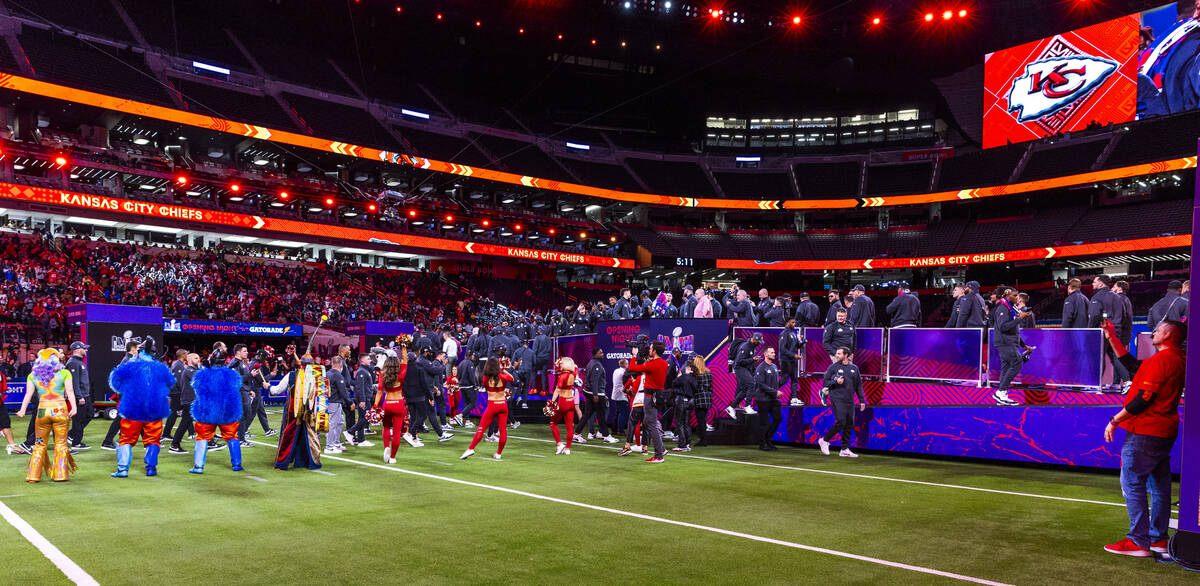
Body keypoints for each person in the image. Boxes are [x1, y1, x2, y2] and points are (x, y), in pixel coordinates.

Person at [1100, 319, 1185, 557]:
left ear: (1167, 334)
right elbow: (1134, 366)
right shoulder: (1178, 359)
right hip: (1164, 430)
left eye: (1157, 330)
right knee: (1159, 486)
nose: (1154, 332)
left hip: (1145, 430)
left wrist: (1115, 419)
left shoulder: (1161, 360)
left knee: (1132, 484)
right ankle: (1158, 539)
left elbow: (1144, 399)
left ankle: (1138, 541)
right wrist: (1112, 338)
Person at [107, 346, 173, 478]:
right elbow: (169, 384)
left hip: (133, 407)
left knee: (126, 439)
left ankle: (123, 469)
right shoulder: (160, 368)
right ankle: (151, 468)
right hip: (154, 408)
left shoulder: (130, 365)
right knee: (153, 439)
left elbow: (115, 383)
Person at [17, 348, 77, 482]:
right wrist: (74, 407)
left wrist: (22, 410)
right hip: (60, 409)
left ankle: (33, 475)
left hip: (42, 410)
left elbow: (28, 394)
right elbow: (70, 391)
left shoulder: (32, 375)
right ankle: (60, 475)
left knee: (39, 444)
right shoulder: (65, 373)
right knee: (61, 443)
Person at [187, 362, 245, 473]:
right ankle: (237, 464)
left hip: (207, 411)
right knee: (232, 436)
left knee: (202, 437)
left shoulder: (203, 374)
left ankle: (198, 466)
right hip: (227, 411)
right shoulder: (231, 374)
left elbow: (196, 387)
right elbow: (237, 387)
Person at [460, 358, 513, 461]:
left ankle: (471, 448)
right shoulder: (502, 376)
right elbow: (512, 379)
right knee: (503, 431)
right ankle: (498, 453)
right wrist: (504, 369)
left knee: (481, 428)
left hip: (492, 406)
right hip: (502, 405)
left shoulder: (485, 378)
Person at [817, 347, 865, 458]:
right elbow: (825, 382)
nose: (836, 355)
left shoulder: (854, 368)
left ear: (846, 355)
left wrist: (861, 400)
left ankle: (844, 449)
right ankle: (824, 440)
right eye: (836, 353)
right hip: (836, 398)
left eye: (839, 353)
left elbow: (858, 385)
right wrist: (835, 381)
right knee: (841, 421)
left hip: (849, 399)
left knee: (849, 424)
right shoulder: (833, 367)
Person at [625, 341, 668, 463]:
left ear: (654, 351)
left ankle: (659, 454)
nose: (649, 350)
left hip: (650, 396)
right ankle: (662, 449)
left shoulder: (653, 364)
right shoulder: (663, 363)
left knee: (651, 424)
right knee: (647, 421)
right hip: (658, 395)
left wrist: (634, 355)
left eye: (650, 348)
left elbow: (632, 368)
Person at [100, 340, 142, 451]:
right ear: (133, 349)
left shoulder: (127, 359)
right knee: (122, 417)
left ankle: (120, 439)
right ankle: (107, 441)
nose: (140, 350)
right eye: (138, 348)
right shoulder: (128, 360)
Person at [992, 286, 1030, 406]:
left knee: (1006, 367)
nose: (1017, 297)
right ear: (1007, 296)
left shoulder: (1010, 308)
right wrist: (1020, 318)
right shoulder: (1003, 308)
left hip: (1009, 341)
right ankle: (1001, 392)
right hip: (1005, 342)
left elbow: (1012, 329)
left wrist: (1023, 345)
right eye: (1014, 295)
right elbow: (1004, 327)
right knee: (1017, 362)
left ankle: (1002, 395)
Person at [1089, 275, 1130, 386]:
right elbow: (1124, 315)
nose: (1092, 284)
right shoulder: (1118, 297)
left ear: (1101, 284)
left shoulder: (1097, 297)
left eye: (1094, 282)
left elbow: (1094, 316)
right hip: (1116, 331)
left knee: (1099, 357)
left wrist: (1090, 331)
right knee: (1116, 357)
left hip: (1102, 331)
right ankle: (1127, 381)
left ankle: (1095, 384)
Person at [375, 354, 409, 463]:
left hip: (387, 403)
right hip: (398, 403)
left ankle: (386, 447)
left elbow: (379, 392)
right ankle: (393, 457)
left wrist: (376, 407)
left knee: (385, 428)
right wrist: (403, 346)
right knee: (397, 432)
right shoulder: (401, 374)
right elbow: (405, 360)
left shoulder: (382, 375)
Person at [579, 348, 615, 443]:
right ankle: (606, 436)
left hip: (591, 393)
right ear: (595, 355)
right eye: (600, 353)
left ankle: (577, 434)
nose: (603, 354)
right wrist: (596, 395)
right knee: (601, 415)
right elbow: (594, 381)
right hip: (596, 394)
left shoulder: (591, 363)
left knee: (587, 415)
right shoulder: (597, 365)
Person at [169, 353, 201, 454]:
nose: (198, 359)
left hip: (193, 400)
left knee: (188, 422)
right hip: (189, 401)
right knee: (185, 423)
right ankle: (174, 445)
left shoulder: (194, 370)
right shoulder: (188, 370)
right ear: (190, 360)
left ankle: (175, 444)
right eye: (196, 358)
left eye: (199, 358)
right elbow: (200, 380)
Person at [754, 347, 784, 451]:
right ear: (766, 354)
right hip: (763, 399)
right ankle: (762, 444)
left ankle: (768, 440)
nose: (774, 354)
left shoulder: (775, 367)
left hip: (773, 399)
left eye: (774, 352)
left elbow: (775, 383)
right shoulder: (761, 368)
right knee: (764, 422)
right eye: (772, 352)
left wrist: (776, 391)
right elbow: (761, 384)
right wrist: (775, 392)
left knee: (778, 418)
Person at [726, 333, 762, 418]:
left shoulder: (752, 347)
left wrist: (753, 362)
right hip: (740, 368)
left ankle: (731, 408)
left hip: (746, 369)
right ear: (754, 339)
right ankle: (747, 406)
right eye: (758, 341)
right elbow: (739, 361)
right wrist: (752, 359)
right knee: (751, 385)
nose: (759, 343)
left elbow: (748, 360)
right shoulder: (745, 347)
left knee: (745, 389)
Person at [64, 341, 92, 450]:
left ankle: (72, 435)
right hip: (80, 396)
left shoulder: (78, 362)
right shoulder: (73, 363)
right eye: (84, 348)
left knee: (89, 415)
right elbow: (74, 382)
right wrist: (79, 396)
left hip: (85, 394)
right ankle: (76, 442)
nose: (86, 350)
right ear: (77, 349)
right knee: (79, 419)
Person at [345, 353, 376, 447]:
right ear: (362, 361)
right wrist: (362, 400)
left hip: (366, 398)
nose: (370, 360)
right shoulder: (362, 371)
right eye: (368, 359)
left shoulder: (365, 370)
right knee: (366, 417)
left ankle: (361, 440)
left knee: (363, 418)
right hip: (364, 399)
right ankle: (350, 432)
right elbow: (359, 387)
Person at [670, 360, 698, 453]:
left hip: (681, 400)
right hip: (690, 401)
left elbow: (673, 383)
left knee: (679, 423)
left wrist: (679, 376)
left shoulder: (684, 377)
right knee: (686, 423)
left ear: (689, 368)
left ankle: (682, 445)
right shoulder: (695, 378)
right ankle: (687, 444)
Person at [324, 355, 350, 454]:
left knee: (339, 422)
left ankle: (335, 442)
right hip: (334, 402)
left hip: (330, 401)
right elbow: (343, 391)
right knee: (333, 424)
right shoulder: (337, 375)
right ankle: (329, 446)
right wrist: (350, 402)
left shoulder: (327, 373)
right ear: (340, 364)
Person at [163, 349, 188, 442]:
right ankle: (166, 434)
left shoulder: (177, 364)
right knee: (181, 412)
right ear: (182, 355)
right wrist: (184, 391)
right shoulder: (178, 365)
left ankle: (166, 433)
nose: (187, 355)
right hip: (176, 392)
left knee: (179, 413)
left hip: (176, 391)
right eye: (186, 354)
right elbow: (179, 381)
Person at [779, 318, 804, 407]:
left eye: (794, 322)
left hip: (793, 360)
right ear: (787, 323)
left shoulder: (793, 333)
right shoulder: (784, 334)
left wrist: (802, 341)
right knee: (784, 379)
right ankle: (771, 392)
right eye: (792, 322)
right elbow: (782, 349)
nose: (794, 324)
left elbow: (797, 346)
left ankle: (794, 399)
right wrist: (793, 355)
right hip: (786, 360)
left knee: (795, 379)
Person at [690, 356, 713, 447]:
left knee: (701, 421)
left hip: (699, 399)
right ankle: (703, 439)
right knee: (703, 420)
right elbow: (710, 387)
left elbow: (695, 387)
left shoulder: (696, 374)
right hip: (707, 399)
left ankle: (703, 440)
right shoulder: (708, 372)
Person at [455, 353, 477, 428]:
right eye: (473, 355)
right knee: (473, 403)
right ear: (471, 356)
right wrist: (475, 385)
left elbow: (458, 375)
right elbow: (471, 376)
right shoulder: (470, 363)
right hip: (469, 386)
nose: (473, 356)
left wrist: (460, 383)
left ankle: (467, 422)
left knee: (466, 403)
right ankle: (460, 416)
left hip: (462, 386)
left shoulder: (461, 363)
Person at [609, 358, 629, 434]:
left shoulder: (616, 370)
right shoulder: (624, 372)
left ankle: (614, 429)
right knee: (623, 413)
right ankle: (620, 430)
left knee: (618, 412)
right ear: (625, 365)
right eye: (627, 363)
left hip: (616, 393)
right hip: (621, 394)